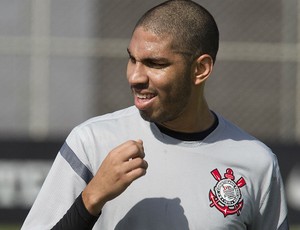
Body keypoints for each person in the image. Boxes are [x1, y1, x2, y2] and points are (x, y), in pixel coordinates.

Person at [21, 0, 289, 229]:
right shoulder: (91, 142)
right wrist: (91, 199)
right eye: (132, 59)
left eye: (155, 63)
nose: (135, 76)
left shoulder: (258, 164)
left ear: (200, 69)